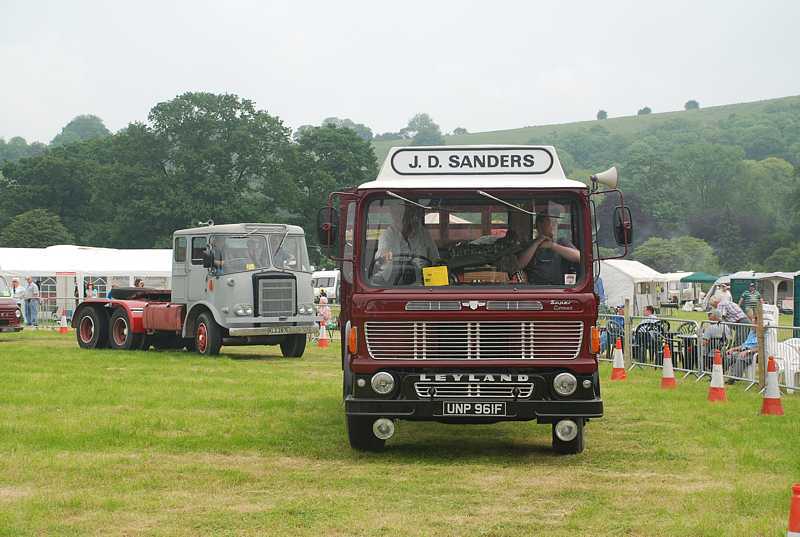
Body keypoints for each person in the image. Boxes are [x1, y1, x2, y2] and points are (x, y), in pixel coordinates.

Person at [372, 202, 439, 285]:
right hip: (394, 285)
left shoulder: (423, 233)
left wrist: (436, 288)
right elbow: (382, 261)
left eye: (404, 213)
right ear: (393, 215)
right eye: (397, 213)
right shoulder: (387, 236)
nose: (401, 217)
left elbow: (435, 260)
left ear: (411, 213)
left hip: (423, 285)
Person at [516, 213, 580, 285]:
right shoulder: (530, 244)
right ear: (540, 225)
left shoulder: (561, 242)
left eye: (556, 222)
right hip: (534, 289)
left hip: (560, 290)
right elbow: (519, 265)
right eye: (551, 222)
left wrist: (552, 246)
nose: (555, 225)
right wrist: (537, 243)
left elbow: (579, 257)